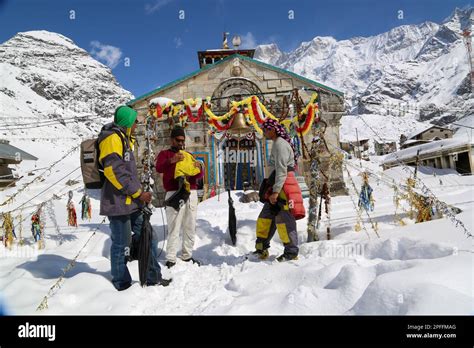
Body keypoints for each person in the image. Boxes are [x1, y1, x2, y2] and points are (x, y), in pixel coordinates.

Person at [99, 105, 171, 291]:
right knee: (122, 245)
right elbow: (113, 172)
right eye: (134, 121)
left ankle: (152, 277)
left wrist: (139, 195)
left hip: (132, 202)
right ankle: (122, 283)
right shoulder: (112, 139)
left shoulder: (124, 139)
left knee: (149, 237)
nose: (136, 125)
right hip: (118, 203)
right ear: (127, 121)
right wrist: (139, 193)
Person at [253, 118, 305, 262]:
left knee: (284, 220)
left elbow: (282, 170)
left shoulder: (281, 145)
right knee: (265, 218)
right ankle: (261, 248)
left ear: (274, 129)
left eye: (266, 129)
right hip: (276, 184)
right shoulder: (276, 143)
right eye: (263, 130)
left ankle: (291, 252)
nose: (264, 132)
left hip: (283, 186)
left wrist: (276, 192)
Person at [155, 126, 204, 268]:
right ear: (172, 140)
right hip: (174, 192)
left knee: (190, 225)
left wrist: (198, 169)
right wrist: (172, 161)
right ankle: (170, 258)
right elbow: (159, 167)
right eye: (178, 140)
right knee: (174, 226)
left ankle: (187, 255)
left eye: (183, 140)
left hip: (191, 192)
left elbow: (199, 176)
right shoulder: (165, 154)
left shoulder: (188, 155)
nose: (181, 143)